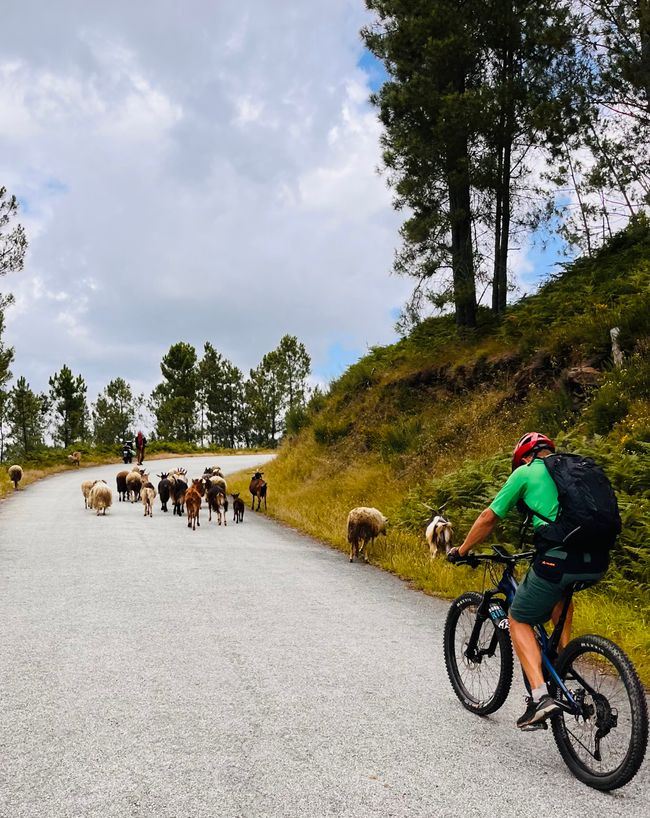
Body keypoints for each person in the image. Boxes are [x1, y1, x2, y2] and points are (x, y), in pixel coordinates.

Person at [447, 432, 610, 730]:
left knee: (519, 617)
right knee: (561, 595)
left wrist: (463, 550)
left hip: (558, 558)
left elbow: (488, 517)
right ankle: (564, 661)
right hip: (596, 560)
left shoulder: (526, 472)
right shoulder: (574, 471)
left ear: (525, 456)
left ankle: (540, 697)